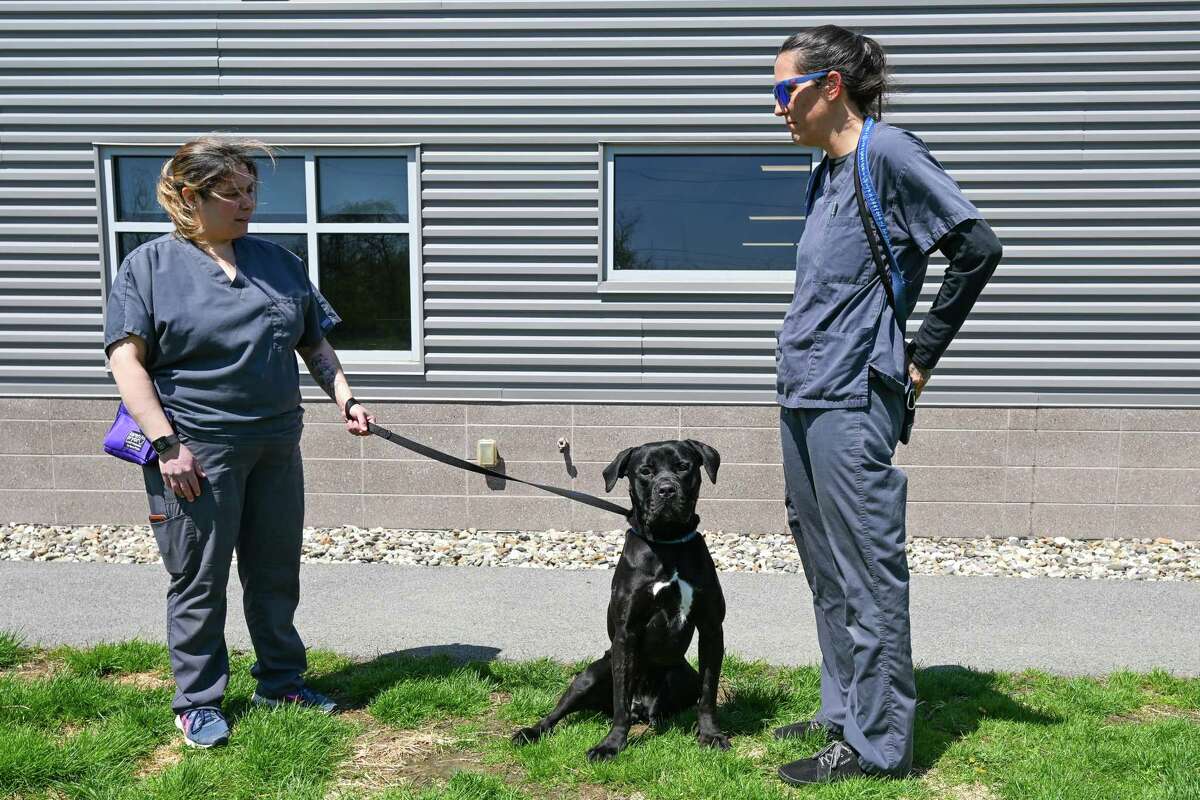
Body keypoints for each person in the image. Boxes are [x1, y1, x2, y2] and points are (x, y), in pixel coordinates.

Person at [770, 26, 1002, 785]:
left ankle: (877, 746)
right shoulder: (826, 173)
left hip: (851, 394)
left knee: (867, 570)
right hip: (804, 391)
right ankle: (844, 711)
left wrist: (923, 354)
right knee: (826, 568)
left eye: (784, 92)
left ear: (830, 86)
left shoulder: (888, 154)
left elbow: (977, 246)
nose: (776, 109)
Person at [104, 136, 375, 748]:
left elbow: (315, 342)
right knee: (199, 576)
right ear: (191, 197)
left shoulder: (278, 261)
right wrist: (167, 444)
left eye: (252, 190)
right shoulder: (147, 267)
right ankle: (197, 700)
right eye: (233, 192)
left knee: (275, 571)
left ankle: (281, 682)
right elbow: (128, 362)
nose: (248, 203)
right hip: (196, 445)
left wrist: (346, 398)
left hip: (277, 441)